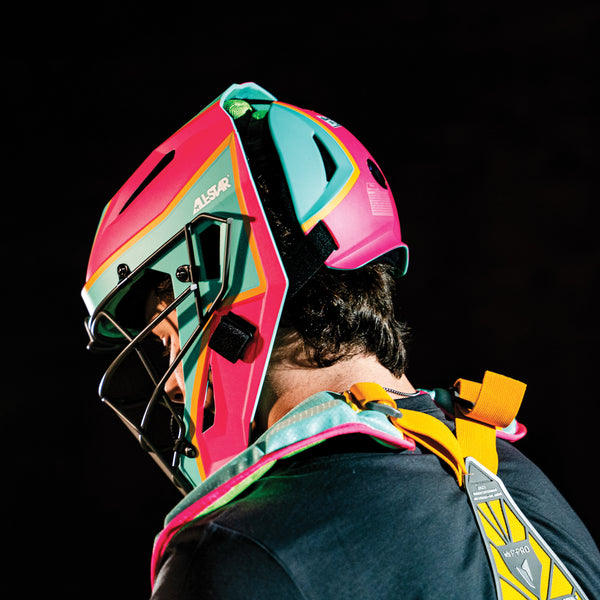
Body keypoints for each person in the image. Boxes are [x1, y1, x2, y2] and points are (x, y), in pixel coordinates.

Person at [82, 83, 599, 599]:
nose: (173, 384)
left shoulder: (236, 554)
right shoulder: (536, 501)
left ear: (228, 282)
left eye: (168, 335)